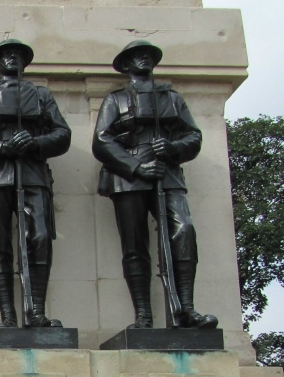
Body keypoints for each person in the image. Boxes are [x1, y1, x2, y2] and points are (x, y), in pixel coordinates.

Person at [92, 39, 218, 329]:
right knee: (135, 246)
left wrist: (173, 149)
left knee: (183, 230)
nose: (144, 59)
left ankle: (186, 308)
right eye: (137, 56)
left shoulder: (171, 97)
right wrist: (136, 166)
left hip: (167, 172)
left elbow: (193, 136)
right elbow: (101, 140)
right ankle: (143, 315)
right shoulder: (116, 100)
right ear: (125, 64)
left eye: (148, 55)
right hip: (128, 176)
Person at [0, 39, 72, 328]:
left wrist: (35, 142)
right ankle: (8, 315)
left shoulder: (41, 95)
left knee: (40, 238)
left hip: (32, 174)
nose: (12, 59)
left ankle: (36, 312)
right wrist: (1, 148)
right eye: (6, 56)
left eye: (18, 55)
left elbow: (62, 134)